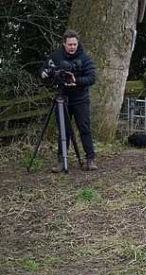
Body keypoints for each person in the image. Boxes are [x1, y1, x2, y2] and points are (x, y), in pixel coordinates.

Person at [42, 29, 97, 172]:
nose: (72, 47)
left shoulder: (85, 58)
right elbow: (44, 72)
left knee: (84, 129)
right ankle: (61, 161)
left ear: (78, 44)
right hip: (62, 98)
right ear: (64, 44)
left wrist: (76, 81)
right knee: (63, 131)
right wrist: (49, 75)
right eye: (69, 44)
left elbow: (92, 78)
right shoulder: (56, 56)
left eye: (74, 44)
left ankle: (90, 159)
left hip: (80, 99)